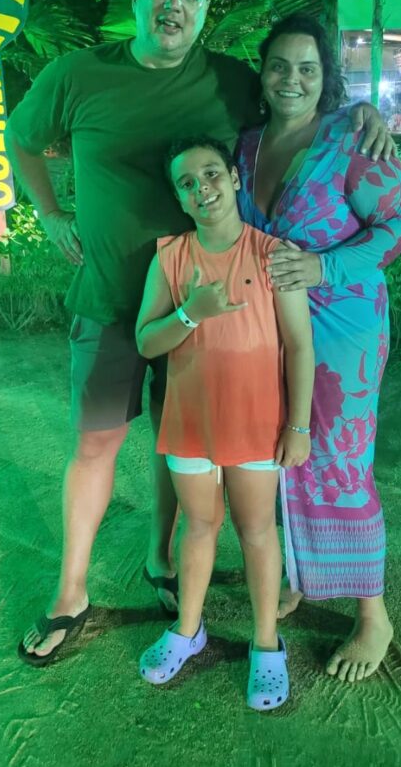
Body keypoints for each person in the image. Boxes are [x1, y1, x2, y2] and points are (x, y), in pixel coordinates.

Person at [9, 0, 394, 665]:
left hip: (208, 310)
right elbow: (20, 138)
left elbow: (299, 96)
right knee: (95, 443)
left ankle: (161, 559)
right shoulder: (76, 74)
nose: (174, 5)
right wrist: (49, 212)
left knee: (179, 443)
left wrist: (363, 111)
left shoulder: (227, 80)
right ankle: (70, 594)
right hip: (110, 301)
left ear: (206, 9)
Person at [235, 13, 401, 683]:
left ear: (325, 77)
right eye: (280, 66)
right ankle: (303, 574)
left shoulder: (351, 138)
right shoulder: (246, 145)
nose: (292, 79)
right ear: (262, 73)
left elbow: (400, 225)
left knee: (340, 463)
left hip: (343, 333)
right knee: (285, 454)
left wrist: (324, 267)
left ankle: (374, 615)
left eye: (307, 68)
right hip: (270, 328)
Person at [134, 137, 314, 710]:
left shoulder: (273, 254)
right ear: (179, 198)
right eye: (187, 183)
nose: (202, 188)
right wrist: (192, 312)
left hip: (258, 422)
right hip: (191, 422)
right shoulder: (170, 258)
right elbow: (146, 341)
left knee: (257, 530)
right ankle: (189, 630)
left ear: (235, 178)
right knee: (198, 526)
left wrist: (299, 426)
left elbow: (299, 346)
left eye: (211, 174)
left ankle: (266, 643)